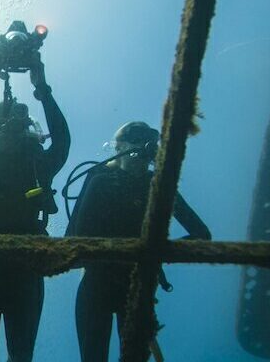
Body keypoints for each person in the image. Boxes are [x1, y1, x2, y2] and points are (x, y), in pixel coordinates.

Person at [0, 52, 70, 362]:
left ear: (25, 128)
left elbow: (61, 142)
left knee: (21, 357)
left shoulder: (37, 164)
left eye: (17, 123)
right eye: (1, 122)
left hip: (24, 270)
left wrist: (42, 90)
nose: (9, 128)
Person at [66, 121, 211, 362]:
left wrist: (158, 253)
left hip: (129, 286)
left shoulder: (157, 185)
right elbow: (75, 238)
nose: (141, 158)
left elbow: (201, 234)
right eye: (135, 148)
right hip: (102, 285)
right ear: (119, 148)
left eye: (146, 151)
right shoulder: (100, 179)